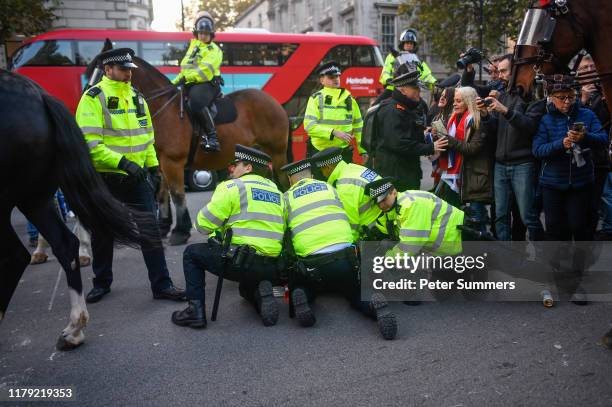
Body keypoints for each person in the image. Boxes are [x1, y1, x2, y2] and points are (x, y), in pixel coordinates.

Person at [76, 47, 185, 303]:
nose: (128, 74)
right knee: (103, 233)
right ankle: (101, 283)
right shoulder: (93, 98)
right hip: (105, 178)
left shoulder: (137, 97)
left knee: (150, 231)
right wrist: (123, 162)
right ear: (108, 70)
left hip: (137, 178)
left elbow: (148, 139)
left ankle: (162, 285)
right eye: (123, 69)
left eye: (130, 70)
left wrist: (153, 168)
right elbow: (90, 145)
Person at [281, 159, 397, 339]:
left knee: (305, 283)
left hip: (313, 265)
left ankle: (303, 296)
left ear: (290, 180)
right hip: (345, 258)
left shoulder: (286, 197)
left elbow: (284, 233)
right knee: (353, 291)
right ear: (312, 176)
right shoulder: (330, 188)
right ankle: (372, 305)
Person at [171, 145, 285, 328]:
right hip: (272, 267)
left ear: (248, 168)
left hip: (240, 262)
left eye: (237, 164)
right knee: (245, 288)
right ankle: (260, 296)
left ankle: (195, 312)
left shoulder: (233, 187)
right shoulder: (278, 193)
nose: (232, 169)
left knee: (191, 253)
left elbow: (203, 226)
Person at [477, 54, 546, 241]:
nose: (499, 75)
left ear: (516, 70)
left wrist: (505, 111)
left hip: (523, 164)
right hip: (501, 164)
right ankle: (506, 257)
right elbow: (495, 130)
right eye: (498, 71)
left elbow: (530, 126)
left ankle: (545, 257)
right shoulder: (504, 95)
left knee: (528, 216)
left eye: (503, 71)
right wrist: (484, 115)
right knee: (500, 216)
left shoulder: (533, 96)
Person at [532, 75, 607, 242]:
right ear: (551, 98)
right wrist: (561, 144)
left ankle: (579, 266)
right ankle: (557, 265)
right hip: (552, 184)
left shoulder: (587, 114)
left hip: (581, 182)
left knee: (579, 226)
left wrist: (585, 137)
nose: (567, 102)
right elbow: (537, 150)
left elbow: (603, 139)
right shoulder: (545, 119)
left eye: (571, 97)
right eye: (561, 98)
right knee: (554, 228)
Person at [372, 62, 447, 191]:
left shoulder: (406, 107)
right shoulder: (392, 110)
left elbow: (407, 134)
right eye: (415, 88)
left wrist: (425, 135)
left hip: (405, 172)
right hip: (395, 176)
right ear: (403, 90)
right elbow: (399, 143)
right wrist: (430, 147)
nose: (419, 91)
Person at [429, 87, 491, 231]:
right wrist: (437, 137)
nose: (454, 104)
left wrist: (448, 139)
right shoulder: (453, 118)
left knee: (476, 222)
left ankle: (483, 252)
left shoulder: (477, 120)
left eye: (458, 101)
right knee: (456, 218)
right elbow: (450, 148)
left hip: (473, 178)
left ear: (468, 102)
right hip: (454, 175)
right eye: (454, 101)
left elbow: (471, 149)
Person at [364, 178, 464, 256]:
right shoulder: (392, 208)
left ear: (394, 192)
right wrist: (372, 237)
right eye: (378, 203)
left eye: (384, 200)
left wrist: (386, 258)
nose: (381, 205)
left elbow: (409, 247)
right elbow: (385, 229)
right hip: (443, 249)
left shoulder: (411, 205)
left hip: (458, 241)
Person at [310, 147, 390, 241]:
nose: (322, 174)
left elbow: (352, 224)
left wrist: (350, 247)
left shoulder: (344, 186)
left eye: (321, 170)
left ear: (328, 167)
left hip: (377, 234)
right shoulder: (353, 168)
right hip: (388, 222)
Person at [171, 12, 223, 152]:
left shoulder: (215, 50)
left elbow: (204, 71)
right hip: (192, 82)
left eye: (206, 33)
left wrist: (186, 78)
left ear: (211, 35)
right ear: (196, 33)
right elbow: (185, 69)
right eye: (201, 33)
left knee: (196, 102)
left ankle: (212, 138)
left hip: (208, 83)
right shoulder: (194, 46)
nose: (203, 36)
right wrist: (173, 83)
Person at [577, 55, 612, 237]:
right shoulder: (572, 93)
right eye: (585, 68)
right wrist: (582, 99)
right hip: (578, 158)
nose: (589, 71)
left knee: (602, 197)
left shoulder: (605, 91)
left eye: (592, 67)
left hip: (599, 157)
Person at [303, 61, 364, 163]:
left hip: (344, 153)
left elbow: (359, 127)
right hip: (320, 152)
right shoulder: (316, 99)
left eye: (337, 76)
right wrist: (333, 132)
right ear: (322, 80)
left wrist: (363, 151)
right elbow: (309, 126)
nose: (335, 79)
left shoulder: (350, 100)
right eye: (331, 77)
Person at [377, 28, 437, 104]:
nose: (409, 45)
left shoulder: (418, 60)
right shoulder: (392, 57)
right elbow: (386, 71)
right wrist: (388, 79)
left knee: (424, 107)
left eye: (411, 43)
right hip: (393, 88)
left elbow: (426, 75)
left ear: (414, 45)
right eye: (407, 43)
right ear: (402, 44)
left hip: (411, 89)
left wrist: (434, 83)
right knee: (374, 107)